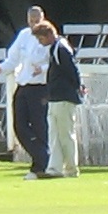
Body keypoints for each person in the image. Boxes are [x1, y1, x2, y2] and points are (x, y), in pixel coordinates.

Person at [0, 5, 52, 176]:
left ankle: (40, 165)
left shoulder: (48, 34)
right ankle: (43, 156)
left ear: (42, 18)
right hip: (23, 85)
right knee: (19, 126)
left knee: (39, 126)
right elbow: (12, 59)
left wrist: (43, 69)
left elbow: (54, 61)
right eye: (31, 21)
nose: (34, 25)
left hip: (40, 87)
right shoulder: (23, 35)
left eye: (37, 21)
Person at [41, 17, 85, 178]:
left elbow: (72, 69)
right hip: (55, 97)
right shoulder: (55, 48)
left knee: (65, 134)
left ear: (48, 35)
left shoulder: (61, 48)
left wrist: (78, 86)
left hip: (64, 98)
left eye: (41, 39)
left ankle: (72, 169)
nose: (40, 43)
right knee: (54, 134)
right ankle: (55, 168)